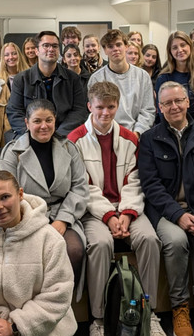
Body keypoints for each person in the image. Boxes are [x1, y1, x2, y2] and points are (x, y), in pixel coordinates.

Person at [68, 82, 165, 336]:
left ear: (117, 106)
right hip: (94, 211)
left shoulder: (130, 137)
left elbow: (136, 180)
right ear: (90, 106)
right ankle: (98, 319)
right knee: (99, 245)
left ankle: (149, 311)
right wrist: (110, 216)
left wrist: (126, 214)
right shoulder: (76, 139)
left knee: (150, 239)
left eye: (111, 107)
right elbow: (83, 186)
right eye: (100, 107)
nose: (105, 113)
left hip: (128, 208)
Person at [137, 81, 194, 336]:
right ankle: (180, 307)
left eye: (178, 101)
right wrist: (178, 215)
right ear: (159, 107)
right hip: (167, 212)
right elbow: (151, 186)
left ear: (188, 102)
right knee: (176, 242)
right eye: (167, 103)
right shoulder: (149, 139)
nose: (174, 106)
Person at [0, 171, 77, 336]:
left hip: (44, 331)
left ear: (20, 194)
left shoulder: (50, 240)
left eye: (4, 197)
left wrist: (15, 326)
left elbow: (58, 294)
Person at [0, 99, 89, 289]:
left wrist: (63, 220)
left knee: (74, 250)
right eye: (37, 121)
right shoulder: (13, 152)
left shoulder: (69, 148)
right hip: (26, 216)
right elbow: (5, 192)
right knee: (32, 254)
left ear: (55, 120)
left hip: (62, 212)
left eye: (48, 120)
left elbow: (79, 186)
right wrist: (30, 219)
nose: (44, 126)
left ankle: (65, 305)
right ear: (27, 123)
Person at [6, 30, 88, 139]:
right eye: (46, 45)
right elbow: (14, 112)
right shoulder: (21, 79)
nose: (51, 49)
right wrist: (34, 133)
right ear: (36, 51)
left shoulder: (73, 79)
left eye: (55, 46)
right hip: (31, 135)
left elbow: (79, 111)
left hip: (64, 136)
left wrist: (59, 135)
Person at [87, 29, 156, 138]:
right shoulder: (96, 78)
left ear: (126, 46)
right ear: (104, 50)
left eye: (119, 45)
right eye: (110, 46)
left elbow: (148, 110)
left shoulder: (142, 76)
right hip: (106, 135)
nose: (115, 49)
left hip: (136, 135)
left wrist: (137, 133)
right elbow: (95, 112)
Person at [155, 31, 194, 120]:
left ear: (190, 47)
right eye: (175, 47)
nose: (180, 50)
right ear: (170, 52)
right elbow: (162, 112)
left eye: (183, 45)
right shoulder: (163, 78)